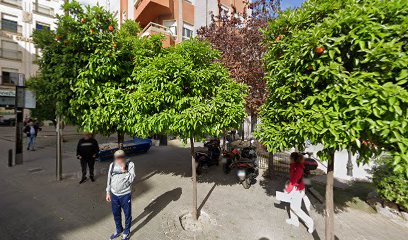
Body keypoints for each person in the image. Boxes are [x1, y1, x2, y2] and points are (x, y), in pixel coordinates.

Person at [106, 150, 135, 240]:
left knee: (127, 214)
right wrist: (108, 192)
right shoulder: (112, 165)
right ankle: (119, 229)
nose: (118, 160)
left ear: (124, 157)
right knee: (116, 213)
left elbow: (132, 178)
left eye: (120, 157)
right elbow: (109, 179)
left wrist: (124, 171)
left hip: (125, 195)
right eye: (116, 158)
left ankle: (126, 231)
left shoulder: (130, 165)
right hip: (114, 194)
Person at [285, 152, 314, 233]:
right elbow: (293, 179)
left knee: (296, 208)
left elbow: (294, 181)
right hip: (296, 188)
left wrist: (287, 190)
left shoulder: (297, 168)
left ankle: (310, 223)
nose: (289, 159)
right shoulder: (294, 166)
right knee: (292, 205)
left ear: (293, 159)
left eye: (290, 158)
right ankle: (294, 221)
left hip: (298, 189)